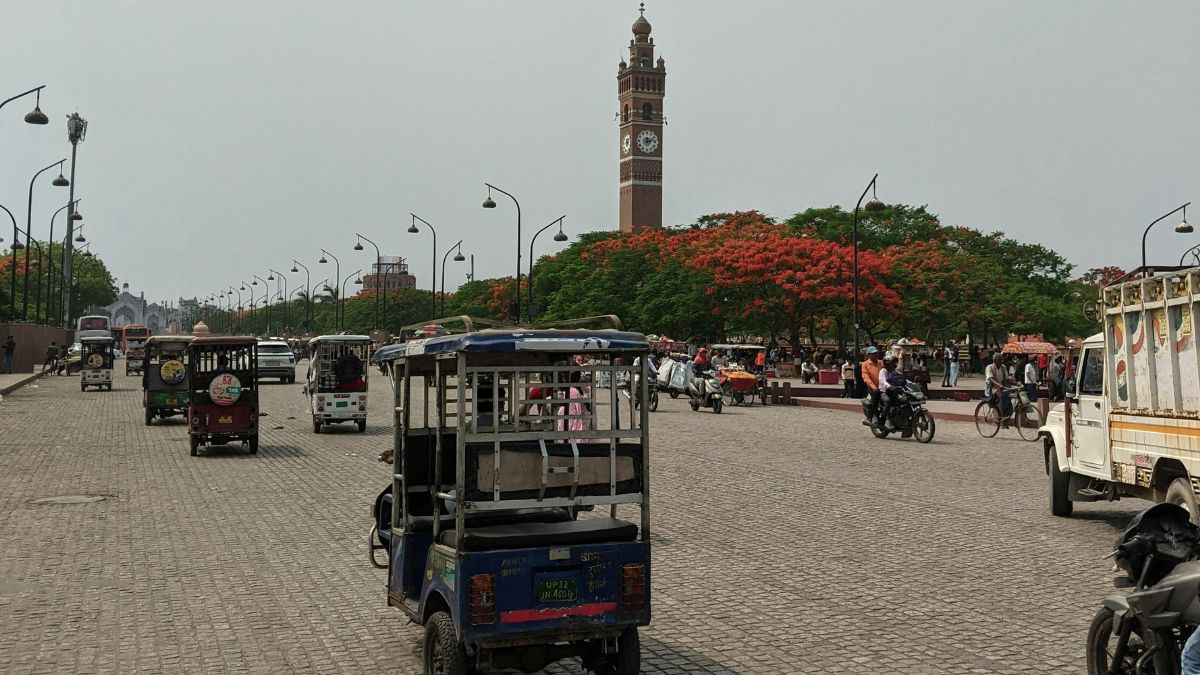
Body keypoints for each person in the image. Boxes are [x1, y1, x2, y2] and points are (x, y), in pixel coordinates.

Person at [878, 354, 906, 428]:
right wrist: (888, 385)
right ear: (887, 364)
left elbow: (901, 378)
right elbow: (883, 380)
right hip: (884, 391)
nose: (894, 365)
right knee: (887, 400)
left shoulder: (894, 371)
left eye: (894, 363)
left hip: (894, 391)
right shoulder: (883, 371)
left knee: (904, 399)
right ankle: (887, 419)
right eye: (892, 363)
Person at [985, 353, 1011, 421]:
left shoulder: (1003, 367)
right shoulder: (989, 367)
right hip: (992, 388)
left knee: (1008, 398)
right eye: (999, 359)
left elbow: (1007, 379)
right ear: (994, 360)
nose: (1001, 361)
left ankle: (1006, 415)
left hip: (1001, 387)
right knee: (1001, 397)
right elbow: (990, 378)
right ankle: (1001, 417)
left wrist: (1016, 383)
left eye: (1001, 359)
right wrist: (998, 385)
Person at [861, 346, 883, 422]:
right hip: (873, 388)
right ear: (868, 355)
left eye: (876, 353)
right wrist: (873, 387)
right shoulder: (865, 364)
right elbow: (865, 377)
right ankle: (872, 415)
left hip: (883, 387)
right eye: (873, 353)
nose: (875, 355)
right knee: (875, 396)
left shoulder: (881, 363)